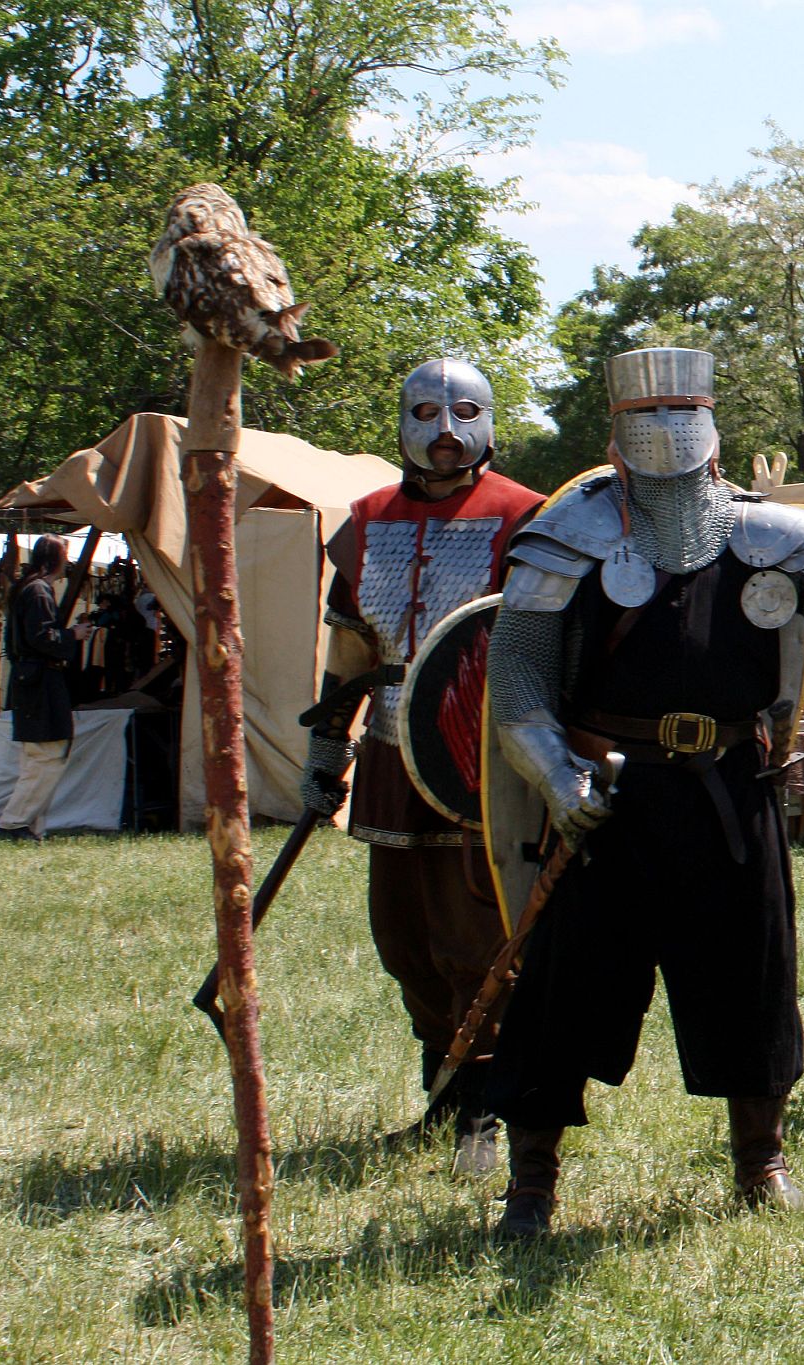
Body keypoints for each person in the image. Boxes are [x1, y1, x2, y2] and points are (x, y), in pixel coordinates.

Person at [480, 346, 804, 1238]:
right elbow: (515, 681)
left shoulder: (771, 531)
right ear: (618, 429)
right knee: (566, 988)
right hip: (610, 793)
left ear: (710, 424)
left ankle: (762, 1160)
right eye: (651, 420)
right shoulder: (576, 526)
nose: (668, 437)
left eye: (682, 417)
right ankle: (532, 1182)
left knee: (752, 980)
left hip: (729, 787)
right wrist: (559, 776)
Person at [298, 359, 544, 1176]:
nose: (446, 430)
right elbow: (349, 652)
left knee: (475, 932)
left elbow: (545, 648)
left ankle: (485, 1110)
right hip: (389, 751)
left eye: (465, 410)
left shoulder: (524, 517)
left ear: (489, 420)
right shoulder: (365, 520)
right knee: (403, 936)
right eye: (428, 411)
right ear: (402, 420)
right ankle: (441, 1096)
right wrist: (325, 752)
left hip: (482, 753)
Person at [0, 535, 88, 840]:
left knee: (39, 755)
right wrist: (72, 636)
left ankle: (29, 824)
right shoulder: (38, 591)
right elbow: (41, 638)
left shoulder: (29, 588)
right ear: (56, 558)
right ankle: (15, 823)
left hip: (31, 681)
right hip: (38, 683)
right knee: (46, 755)